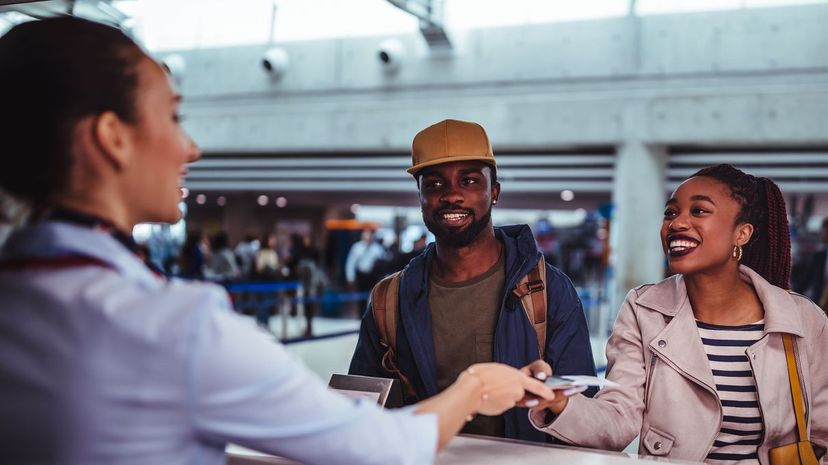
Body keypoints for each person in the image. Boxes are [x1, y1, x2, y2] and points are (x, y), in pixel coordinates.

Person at [0, 18, 556, 465]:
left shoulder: (25, 294)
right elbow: (375, 443)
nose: (189, 147)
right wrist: (474, 388)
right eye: (172, 115)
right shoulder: (174, 327)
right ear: (112, 137)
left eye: (468, 180)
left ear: (494, 190)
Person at [528, 165, 828, 463]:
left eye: (699, 211)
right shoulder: (643, 309)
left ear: (742, 233)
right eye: (670, 213)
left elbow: (821, 434)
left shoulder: (802, 320)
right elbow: (619, 418)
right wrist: (560, 402)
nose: (677, 223)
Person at [349, 119, 596, 443]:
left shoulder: (547, 290)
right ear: (420, 195)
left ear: (493, 192)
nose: (452, 195)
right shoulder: (390, 298)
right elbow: (362, 406)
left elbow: (584, 415)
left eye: (468, 181)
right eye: (435, 184)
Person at [794, 217, 828, 314]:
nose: (821, 234)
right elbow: (806, 279)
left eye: (824, 231)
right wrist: (794, 295)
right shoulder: (819, 255)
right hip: (820, 306)